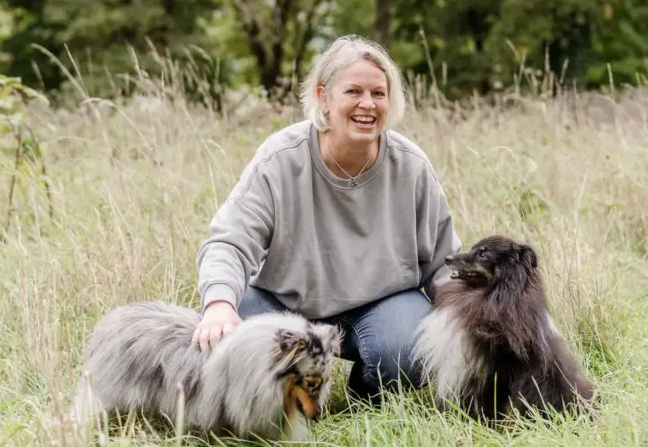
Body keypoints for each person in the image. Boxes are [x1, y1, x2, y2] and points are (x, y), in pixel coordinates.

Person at [194, 35, 461, 400]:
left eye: (378, 94)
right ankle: (293, 394)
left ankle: (366, 397)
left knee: (410, 349)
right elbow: (230, 240)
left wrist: (467, 321)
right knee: (237, 335)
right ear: (323, 97)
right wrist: (219, 304)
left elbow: (442, 261)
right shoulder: (280, 158)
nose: (367, 104)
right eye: (353, 91)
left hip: (382, 305)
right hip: (286, 303)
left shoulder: (410, 165)